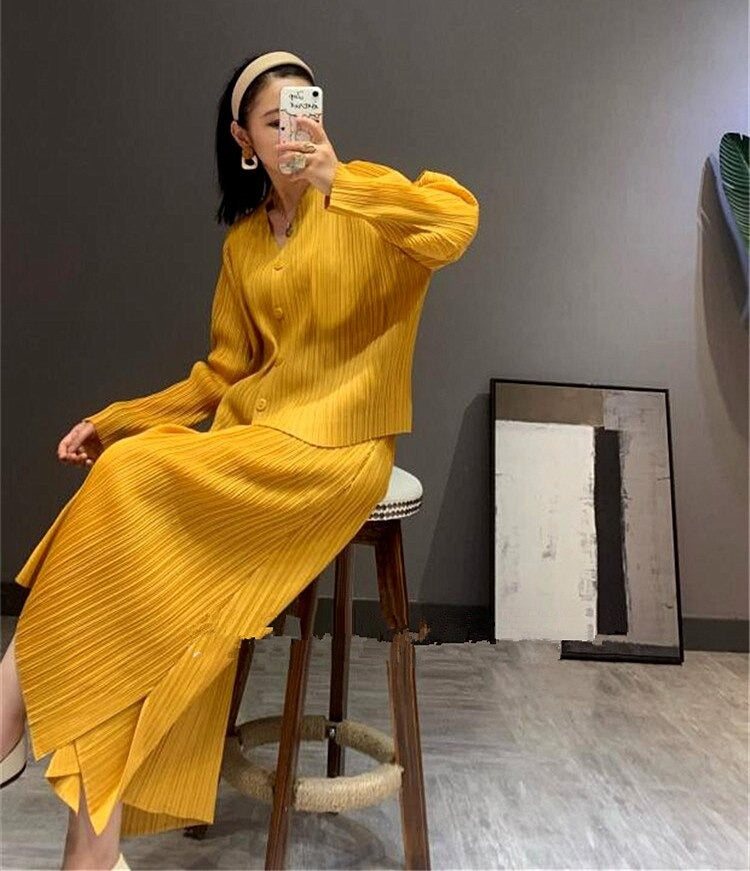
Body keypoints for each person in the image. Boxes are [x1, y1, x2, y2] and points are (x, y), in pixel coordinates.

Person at [0, 50, 479, 869]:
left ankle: (10, 699)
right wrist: (119, 419)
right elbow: (221, 374)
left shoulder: (363, 197)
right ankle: (94, 838)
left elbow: (455, 223)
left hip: (338, 454)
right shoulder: (246, 246)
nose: (295, 130)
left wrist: (338, 179)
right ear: (243, 139)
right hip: (255, 444)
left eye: (304, 110)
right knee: (145, 564)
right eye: (274, 119)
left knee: (135, 480)